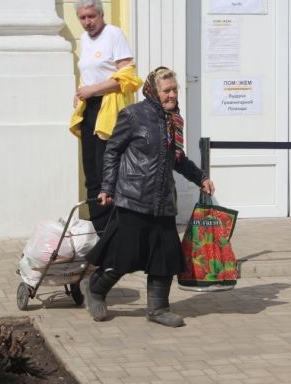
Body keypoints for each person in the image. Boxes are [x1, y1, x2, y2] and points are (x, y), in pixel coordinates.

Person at [81, 67, 215, 327]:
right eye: (167, 90)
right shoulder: (132, 115)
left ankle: (158, 308)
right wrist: (107, 187)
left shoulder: (174, 120)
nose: (172, 95)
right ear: (153, 91)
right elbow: (112, 152)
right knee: (124, 256)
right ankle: (95, 290)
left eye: (175, 89)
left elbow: (178, 159)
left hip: (163, 200)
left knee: (165, 256)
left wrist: (201, 178)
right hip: (133, 197)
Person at [69, 0, 142, 233]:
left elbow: (128, 78)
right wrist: (81, 92)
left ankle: (115, 229)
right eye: (82, 18)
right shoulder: (84, 39)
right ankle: (99, 229)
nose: (87, 22)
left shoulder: (113, 34)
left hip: (110, 109)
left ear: (101, 15)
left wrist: (93, 90)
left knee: (107, 171)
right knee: (91, 171)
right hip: (89, 108)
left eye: (91, 16)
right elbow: (90, 73)